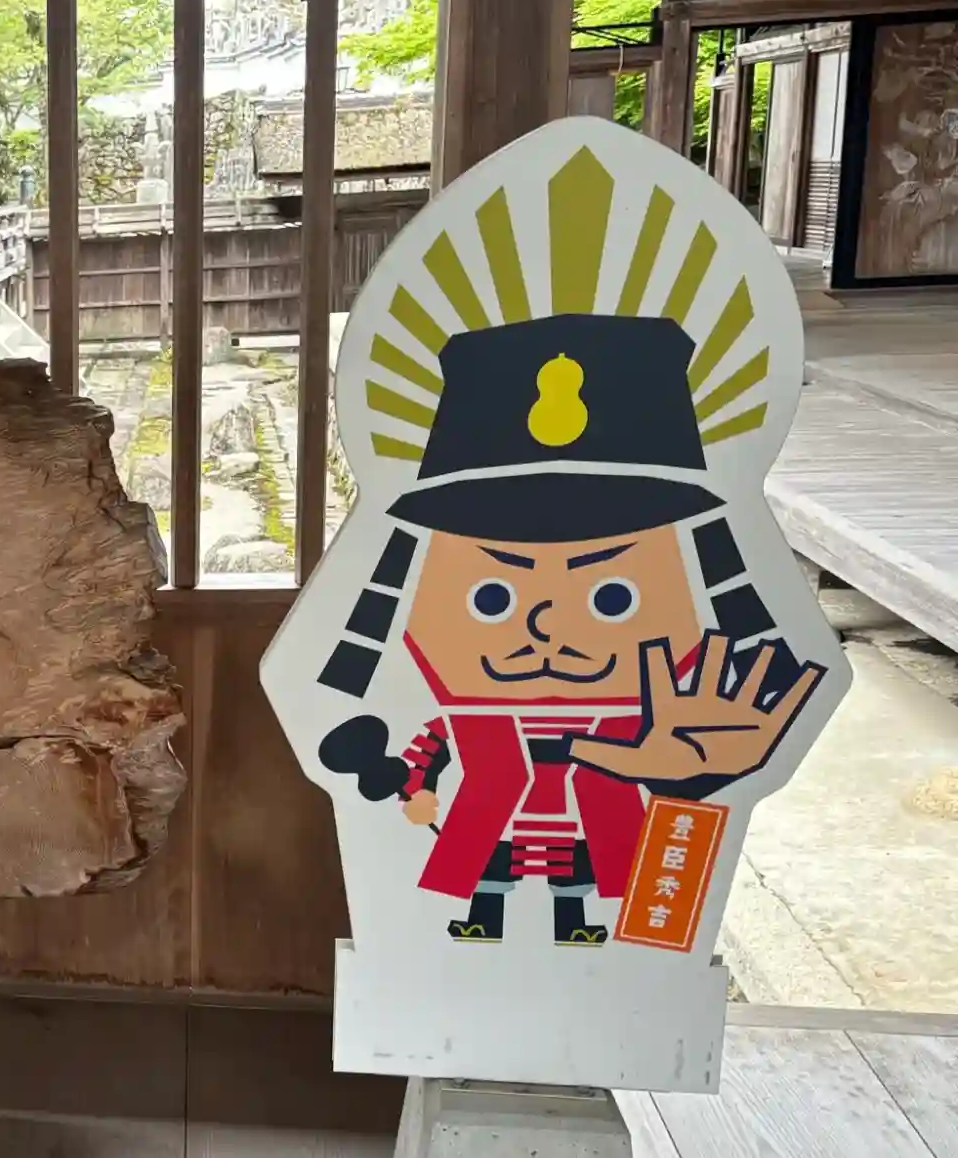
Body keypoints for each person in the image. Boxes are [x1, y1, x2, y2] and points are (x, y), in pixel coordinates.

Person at [320, 313, 820, 946]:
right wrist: (413, 788)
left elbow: (661, 923)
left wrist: (696, 788)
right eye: (492, 595)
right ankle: (491, 920)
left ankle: (570, 928)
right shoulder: (465, 719)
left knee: (576, 886)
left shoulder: (691, 718)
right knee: (498, 881)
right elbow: (421, 749)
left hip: (609, 935)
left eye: (613, 596)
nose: (548, 625)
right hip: (481, 876)